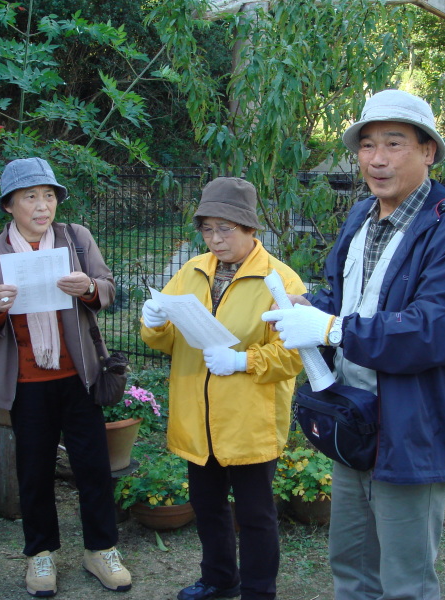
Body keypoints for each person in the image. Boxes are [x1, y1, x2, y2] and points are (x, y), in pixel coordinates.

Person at [261, 90, 445, 600]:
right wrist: (310, 308)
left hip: (411, 427)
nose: (378, 159)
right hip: (355, 418)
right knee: (351, 566)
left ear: (428, 151)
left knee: (406, 581)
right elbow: (345, 296)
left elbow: (440, 327)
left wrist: (332, 330)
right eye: (367, 146)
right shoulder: (363, 217)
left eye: (394, 143)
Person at [0, 157, 131, 598]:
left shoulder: (76, 239)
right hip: (26, 381)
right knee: (34, 471)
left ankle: (101, 550)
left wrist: (90, 288)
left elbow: (109, 287)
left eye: (48, 196)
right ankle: (40, 555)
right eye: (30, 197)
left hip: (79, 377)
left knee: (93, 467)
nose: (43, 207)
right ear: (9, 205)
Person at [140, 177, 305, 600]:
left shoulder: (280, 281)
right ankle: (219, 579)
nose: (215, 240)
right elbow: (166, 339)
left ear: (251, 230)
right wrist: (155, 324)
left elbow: (294, 355)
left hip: (249, 420)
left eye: (225, 229)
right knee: (208, 507)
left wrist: (242, 361)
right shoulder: (191, 271)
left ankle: (257, 591)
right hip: (199, 417)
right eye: (207, 229)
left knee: (255, 515)